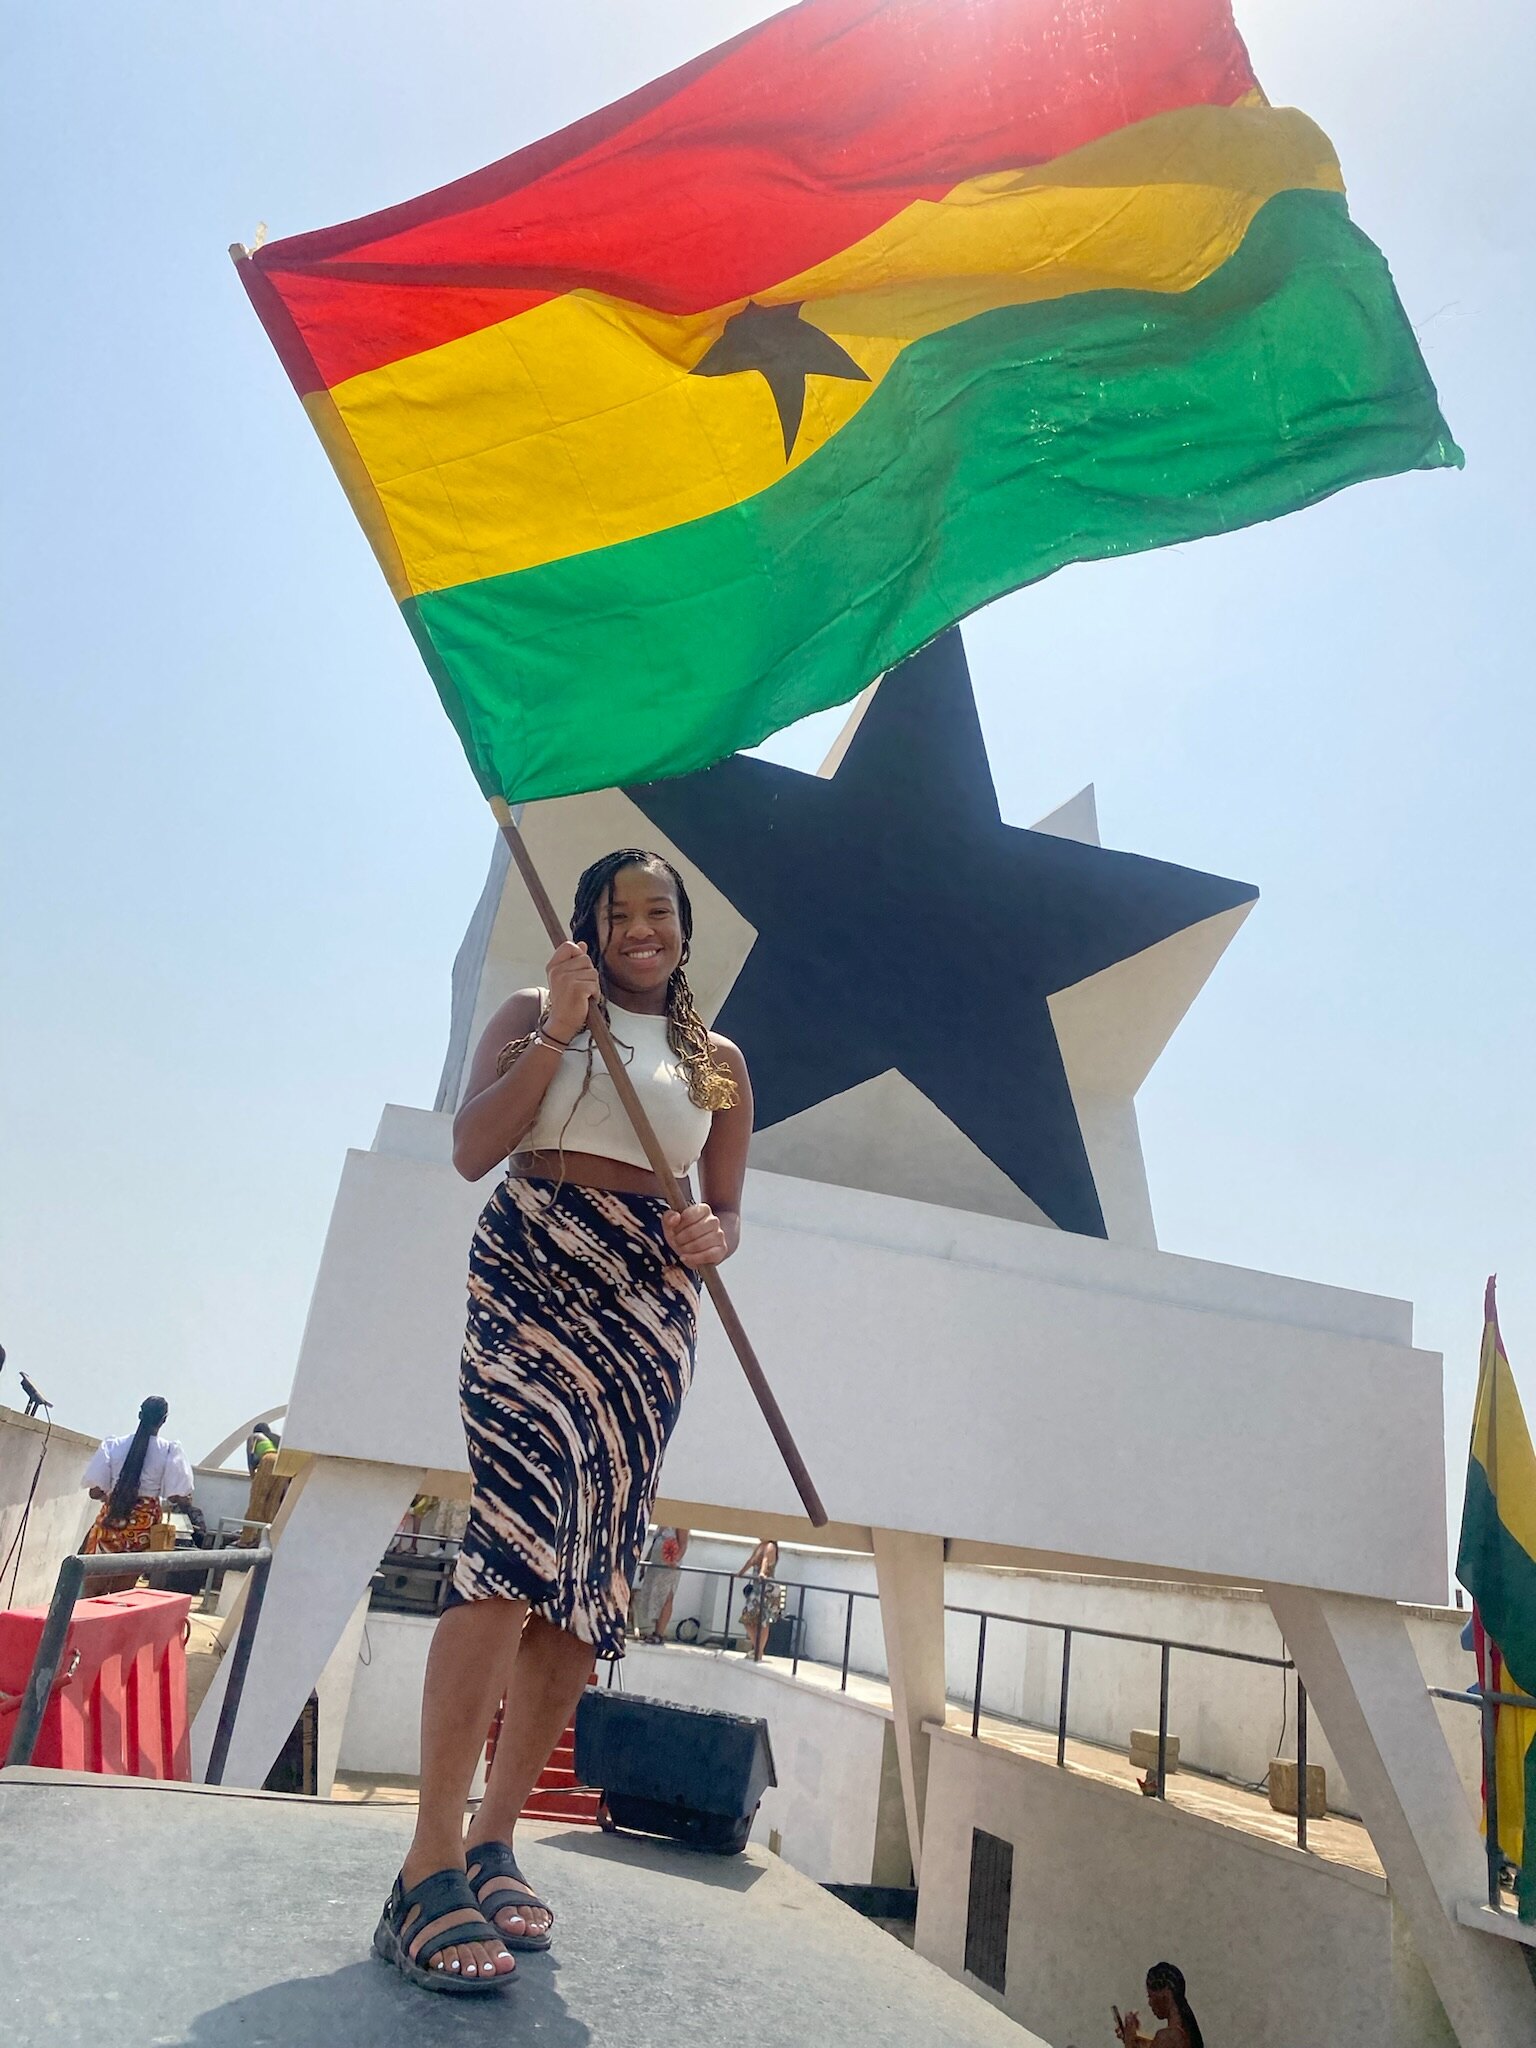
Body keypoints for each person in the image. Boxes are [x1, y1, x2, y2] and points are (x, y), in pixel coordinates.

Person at [373, 848, 752, 1995]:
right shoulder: (540, 1011)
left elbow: (726, 1205)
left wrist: (713, 1238)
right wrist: (559, 1028)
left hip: (647, 1311)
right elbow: (473, 1149)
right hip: (536, 1264)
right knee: (508, 1546)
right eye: (619, 910)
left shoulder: (718, 1060)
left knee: (586, 1576)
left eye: (660, 912)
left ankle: (495, 1837)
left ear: (684, 930)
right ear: (587, 924)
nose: (641, 927)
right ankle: (424, 1862)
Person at [80, 1396, 195, 1578]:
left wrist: (110, 1494)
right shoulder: (168, 1451)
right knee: (124, 1589)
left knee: (93, 1582)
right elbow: (176, 1496)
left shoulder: (114, 1445)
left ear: (139, 1414)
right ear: (164, 1420)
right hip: (144, 1524)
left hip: (112, 1518)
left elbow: (94, 1492)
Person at [1115, 1961, 1204, 2048]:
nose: (1150, 2003)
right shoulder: (1184, 2033)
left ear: (1166, 1993)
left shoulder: (1168, 2037)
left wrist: (1129, 2041)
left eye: (1150, 1996)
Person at [630, 1525, 690, 1642]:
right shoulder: (662, 1522)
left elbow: (683, 1544)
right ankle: (655, 1630)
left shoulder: (682, 1521)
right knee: (656, 1597)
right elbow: (655, 1543)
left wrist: (675, 1560)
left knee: (666, 1597)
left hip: (669, 1566)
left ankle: (659, 1633)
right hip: (656, 1566)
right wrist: (646, 1562)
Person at [736, 1538, 787, 1661]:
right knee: (749, 1619)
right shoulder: (760, 1545)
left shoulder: (770, 1546)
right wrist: (740, 1573)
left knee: (762, 1620)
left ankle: (758, 1652)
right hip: (757, 1587)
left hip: (766, 1588)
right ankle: (758, 1650)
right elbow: (751, 1561)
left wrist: (762, 1573)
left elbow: (765, 1561)